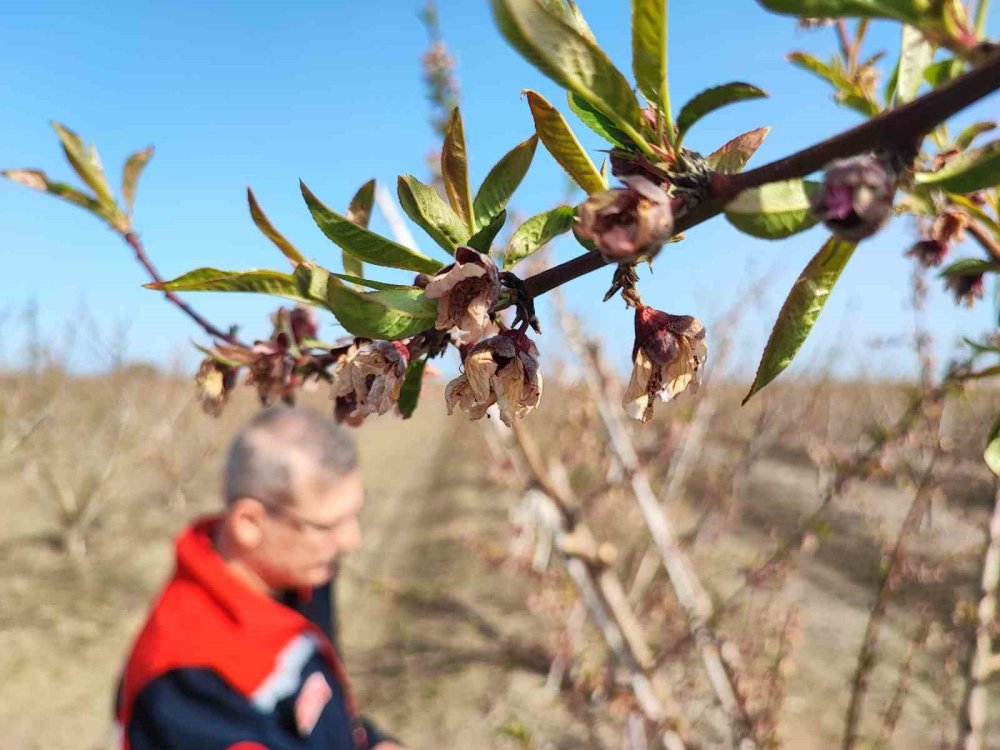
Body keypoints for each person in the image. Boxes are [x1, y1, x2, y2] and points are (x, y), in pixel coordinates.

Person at [113, 406, 402, 750]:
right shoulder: (186, 681)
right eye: (327, 526)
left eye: (354, 515)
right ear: (249, 522)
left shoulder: (302, 578)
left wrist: (371, 741)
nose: (351, 540)